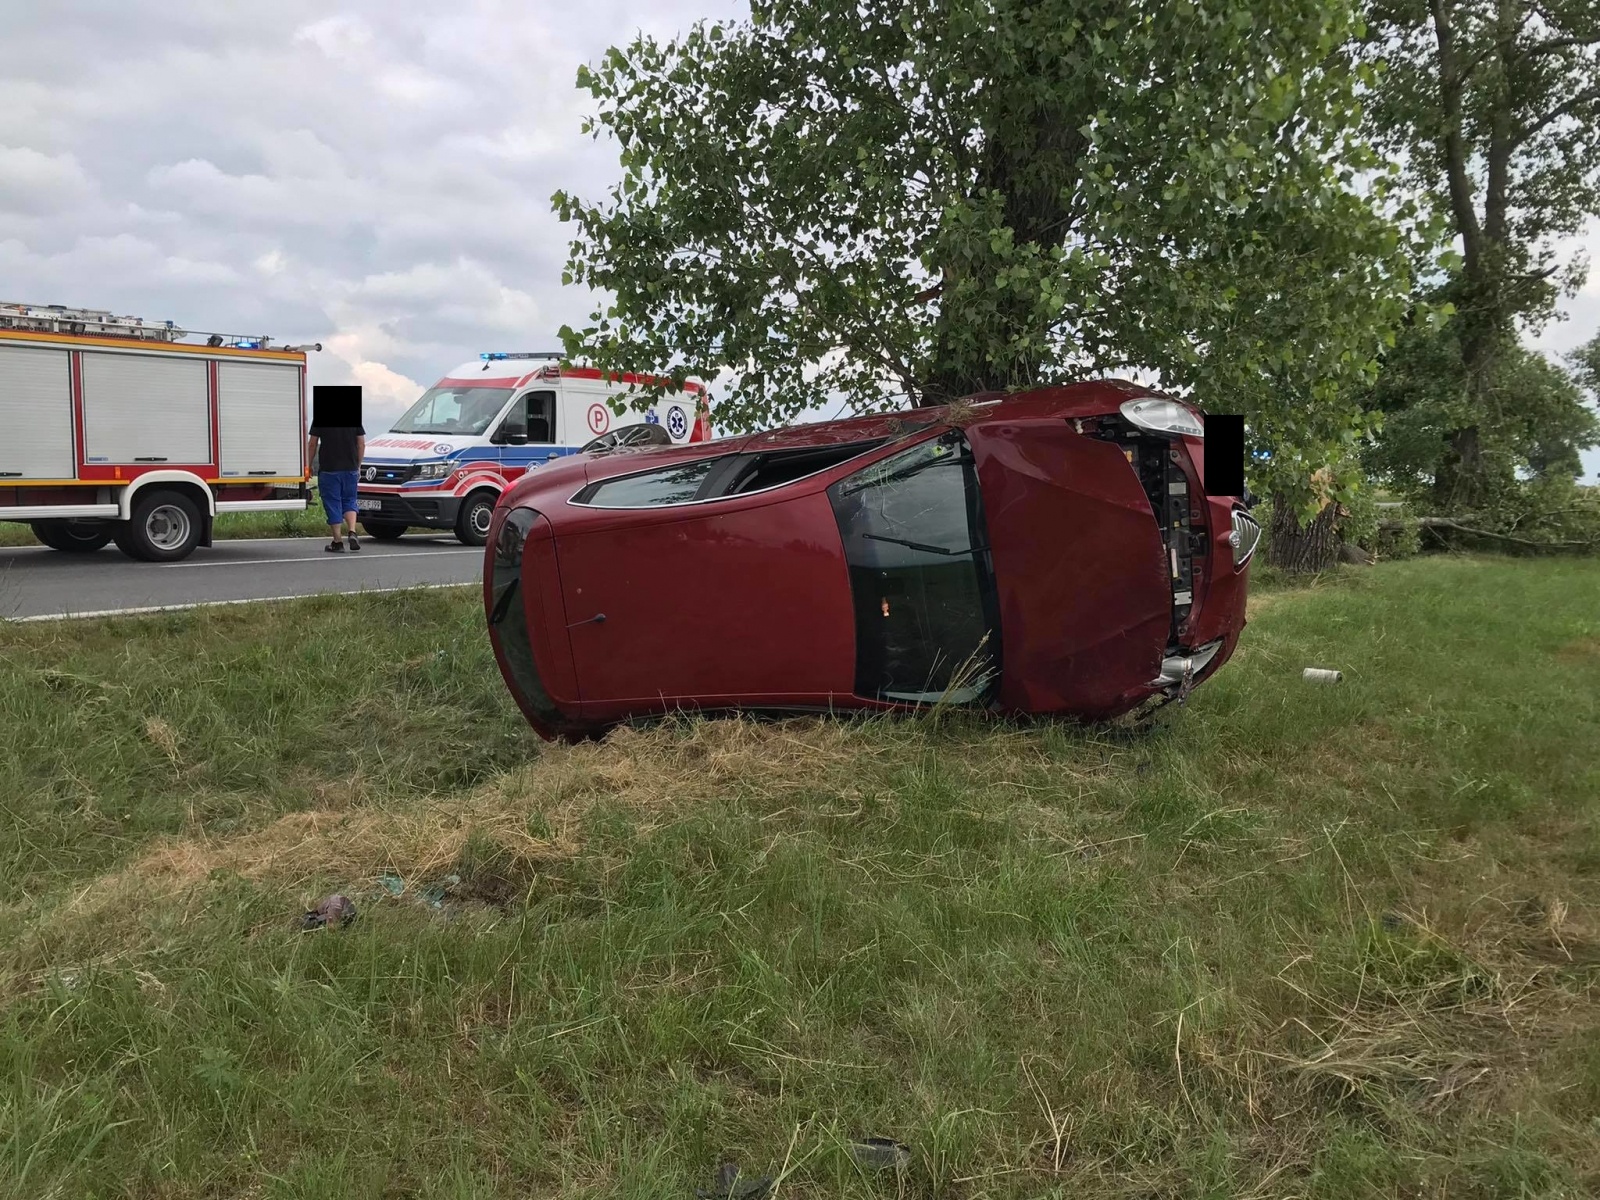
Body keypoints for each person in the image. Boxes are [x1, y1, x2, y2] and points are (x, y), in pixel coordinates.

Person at [306, 419, 366, 552]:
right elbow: (361, 444)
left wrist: (308, 466)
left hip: (329, 470)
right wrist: (358, 466)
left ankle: (338, 542)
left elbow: (312, 444)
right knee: (350, 500)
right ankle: (352, 531)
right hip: (350, 468)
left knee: (333, 503)